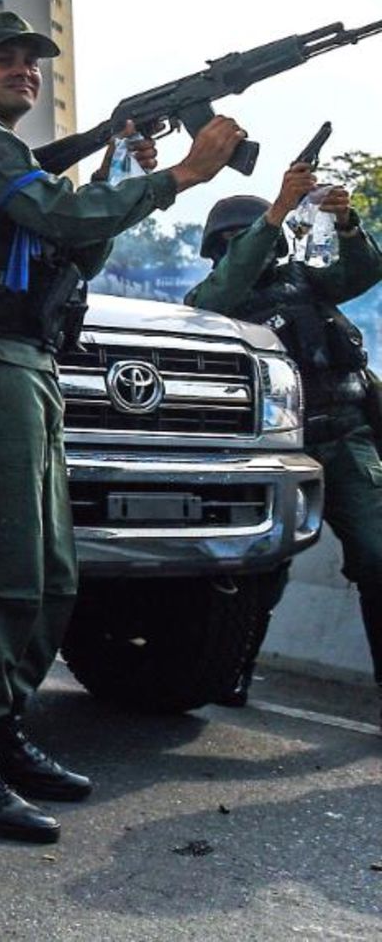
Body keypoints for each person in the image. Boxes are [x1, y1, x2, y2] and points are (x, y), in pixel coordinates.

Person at [0, 11, 244, 843]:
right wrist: (184, 178)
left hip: (24, 363)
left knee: (52, 573)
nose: (23, 70)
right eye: (2, 59)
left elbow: (75, 248)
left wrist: (119, 170)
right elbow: (60, 217)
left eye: (31, 61)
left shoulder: (10, 158)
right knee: (1, 566)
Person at [187, 164, 382, 725]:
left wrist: (346, 224)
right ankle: (232, 670)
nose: (265, 247)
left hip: (345, 437)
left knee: (376, 554)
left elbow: (364, 269)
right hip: (273, 450)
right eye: (247, 238)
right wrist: (274, 212)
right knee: (257, 567)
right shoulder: (212, 297)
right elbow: (221, 290)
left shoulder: (306, 280)